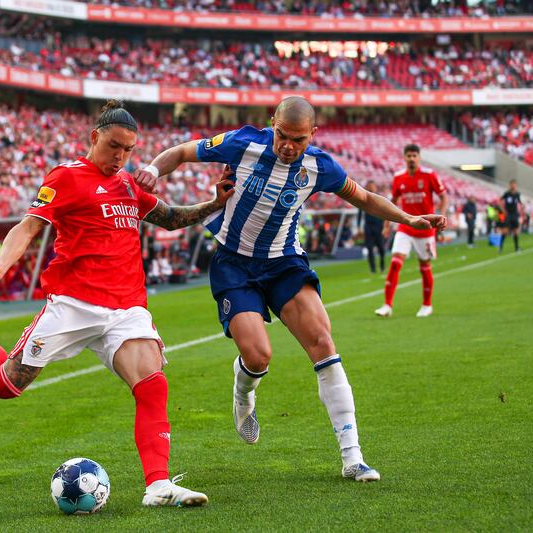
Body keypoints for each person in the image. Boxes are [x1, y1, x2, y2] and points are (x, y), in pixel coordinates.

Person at [0, 100, 234, 507]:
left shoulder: (129, 183)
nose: (120, 157)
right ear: (94, 137)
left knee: (152, 384)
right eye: (113, 146)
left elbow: (172, 217)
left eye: (127, 149)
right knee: (5, 385)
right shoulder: (67, 177)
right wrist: (2, 262)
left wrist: (214, 203)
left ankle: (158, 485)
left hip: (126, 307)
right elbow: (30, 225)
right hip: (73, 304)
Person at [133, 96, 446, 482]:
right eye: (282, 135)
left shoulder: (319, 166)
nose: (288, 145)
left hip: (284, 263)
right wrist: (151, 168)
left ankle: (353, 457)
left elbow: (363, 197)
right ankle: (244, 390)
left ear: (312, 135)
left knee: (323, 344)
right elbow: (181, 151)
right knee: (259, 356)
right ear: (272, 125)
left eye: (298, 139)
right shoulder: (244, 143)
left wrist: (409, 218)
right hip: (234, 263)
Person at [375, 144, 447, 318]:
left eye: (415, 155)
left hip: (426, 228)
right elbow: (391, 203)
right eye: (409, 156)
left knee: (424, 267)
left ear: (419, 157)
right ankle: (387, 305)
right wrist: (386, 224)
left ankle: (427, 304)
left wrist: (441, 217)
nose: (412, 159)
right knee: (395, 263)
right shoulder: (399, 177)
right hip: (405, 227)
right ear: (404, 158)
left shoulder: (429, 175)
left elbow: (444, 196)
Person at [357, 181, 387, 273]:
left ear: (375, 187)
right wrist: (359, 226)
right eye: (369, 186)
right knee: (369, 248)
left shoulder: (380, 198)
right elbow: (360, 212)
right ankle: (373, 269)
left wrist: (385, 226)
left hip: (379, 225)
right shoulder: (364, 198)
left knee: (381, 247)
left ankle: (382, 266)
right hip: (368, 226)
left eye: (372, 186)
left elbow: (385, 212)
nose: (370, 188)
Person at [499, 180, 524, 253]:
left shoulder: (518, 194)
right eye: (511, 184)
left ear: (516, 185)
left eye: (514, 184)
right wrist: (503, 210)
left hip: (515, 215)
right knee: (505, 232)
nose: (513, 186)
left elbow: (521, 203)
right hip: (508, 215)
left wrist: (522, 209)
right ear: (510, 185)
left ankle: (516, 248)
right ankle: (500, 248)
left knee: (515, 231)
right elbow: (499, 201)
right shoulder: (507, 194)